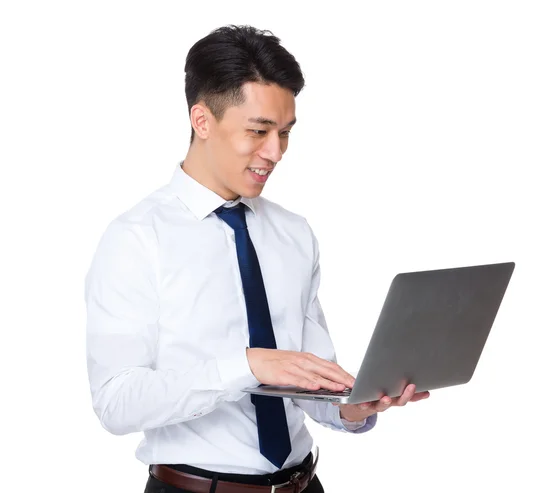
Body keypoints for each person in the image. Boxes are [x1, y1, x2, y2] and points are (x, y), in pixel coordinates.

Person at [85, 24, 430, 493]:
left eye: (285, 132)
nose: (275, 152)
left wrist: (354, 405)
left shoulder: (294, 233)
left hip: (303, 485)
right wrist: (244, 366)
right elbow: (115, 403)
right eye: (259, 131)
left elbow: (309, 382)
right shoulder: (136, 240)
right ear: (202, 121)